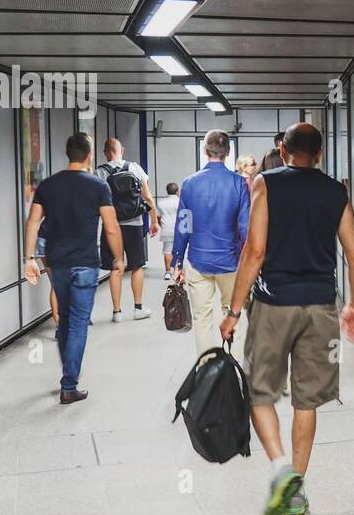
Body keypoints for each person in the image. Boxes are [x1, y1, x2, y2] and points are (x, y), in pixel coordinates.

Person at [220, 122, 354, 515]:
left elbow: (255, 250)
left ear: (283, 150)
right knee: (307, 400)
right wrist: (352, 304)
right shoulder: (336, 192)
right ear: (319, 154)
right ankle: (297, 491)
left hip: (273, 304)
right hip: (320, 307)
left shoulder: (266, 184)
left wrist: (233, 311)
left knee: (261, 393)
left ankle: (282, 470)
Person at [22, 132, 124, 404]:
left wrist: (29, 258)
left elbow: (32, 222)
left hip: (57, 264)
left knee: (65, 321)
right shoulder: (98, 187)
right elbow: (111, 227)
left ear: (69, 154)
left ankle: (68, 377)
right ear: (89, 155)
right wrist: (119, 258)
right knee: (78, 324)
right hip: (85, 264)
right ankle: (69, 384)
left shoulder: (48, 186)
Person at [172, 130, 251, 356]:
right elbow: (245, 229)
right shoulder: (239, 184)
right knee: (232, 313)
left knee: (202, 319)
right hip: (230, 261)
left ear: (205, 151)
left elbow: (184, 226)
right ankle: (231, 363)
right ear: (227, 153)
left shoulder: (189, 184)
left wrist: (177, 262)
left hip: (198, 261)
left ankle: (207, 370)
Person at [95, 138, 158, 322]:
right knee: (137, 266)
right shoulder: (134, 168)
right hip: (135, 224)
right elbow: (147, 197)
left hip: (111, 226)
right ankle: (138, 308)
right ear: (121, 150)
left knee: (116, 267)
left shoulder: (100, 172)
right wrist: (153, 221)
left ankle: (117, 312)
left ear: (105, 152)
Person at [156, 182, 181, 279]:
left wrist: (161, 225)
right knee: (178, 250)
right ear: (177, 191)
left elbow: (158, 217)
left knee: (167, 251)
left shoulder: (161, 203)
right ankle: (177, 271)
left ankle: (167, 272)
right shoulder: (180, 202)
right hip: (179, 230)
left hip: (166, 229)